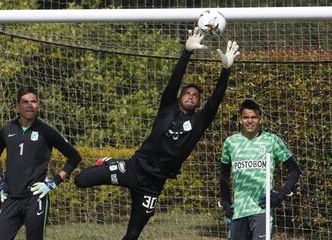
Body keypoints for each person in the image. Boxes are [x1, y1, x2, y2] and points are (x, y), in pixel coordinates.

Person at [74, 27, 240, 240]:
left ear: (198, 102)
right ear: (180, 97)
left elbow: (215, 101)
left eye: (195, 95)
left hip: (152, 186)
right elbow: (174, 81)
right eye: (187, 93)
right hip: (132, 168)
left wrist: (225, 71)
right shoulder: (167, 108)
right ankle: (111, 162)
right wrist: (186, 52)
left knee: (132, 235)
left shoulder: (198, 122)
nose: (191, 96)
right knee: (80, 180)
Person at [0, 86, 82, 240]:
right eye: (25, 102)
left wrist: (52, 184)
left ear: (38, 105)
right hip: (11, 198)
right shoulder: (6, 130)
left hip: (35, 197)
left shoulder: (47, 131)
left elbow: (74, 157)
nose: (30, 105)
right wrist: (0, 181)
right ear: (17, 106)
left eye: (33, 101)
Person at [219, 99, 301, 240]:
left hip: (262, 210)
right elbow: (224, 175)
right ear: (240, 120)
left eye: (254, 117)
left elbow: (295, 170)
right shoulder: (230, 142)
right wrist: (226, 201)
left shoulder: (271, 140)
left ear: (260, 119)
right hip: (239, 210)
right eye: (246, 117)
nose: (250, 121)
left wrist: (280, 196)